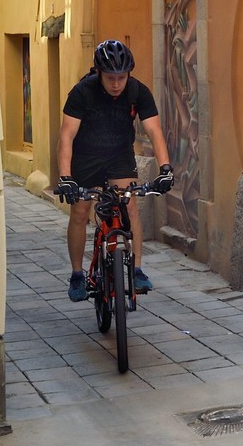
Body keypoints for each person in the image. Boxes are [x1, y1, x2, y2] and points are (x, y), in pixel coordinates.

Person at [56, 39, 174, 302]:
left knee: (129, 206)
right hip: (86, 157)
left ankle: (137, 269)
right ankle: (77, 274)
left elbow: (154, 130)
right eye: (111, 78)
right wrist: (66, 177)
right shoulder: (82, 92)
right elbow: (66, 136)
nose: (117, 83)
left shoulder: (137, 92)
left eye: (122, 77)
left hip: (119, 156)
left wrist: (165, 169)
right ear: (98, 73)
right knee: (80, 211)